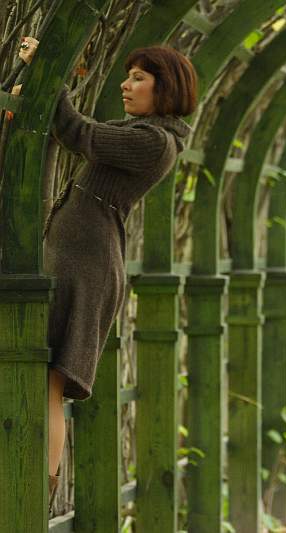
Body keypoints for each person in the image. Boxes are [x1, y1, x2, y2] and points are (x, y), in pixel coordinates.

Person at [16, 36, 197, 506]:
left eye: (139, 78)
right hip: (82, 259)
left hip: (88, 265)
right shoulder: (146, 133)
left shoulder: (153, 142)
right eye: (128, 75)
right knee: (44, 379)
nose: (126, 84)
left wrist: (47, 69)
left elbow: (79, 132)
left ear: (166, 87)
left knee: (49, 381)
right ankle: (37, 487)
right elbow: (72, 134)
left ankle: (37, 491)